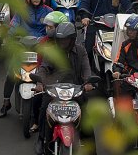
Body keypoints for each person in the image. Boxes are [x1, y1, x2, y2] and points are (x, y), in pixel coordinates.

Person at [31, 20, 92, 152]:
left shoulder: (81, 51)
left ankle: (90, 147)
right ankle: (42, 138)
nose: (62, 42)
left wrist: (88, 82)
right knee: (44, 108)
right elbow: (43, 68)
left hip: (75, 90)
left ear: (72, 39)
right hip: (54, 89)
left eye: (65, 40)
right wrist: (40, 83)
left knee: (87, 114)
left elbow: (86, 69)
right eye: (60, 40)